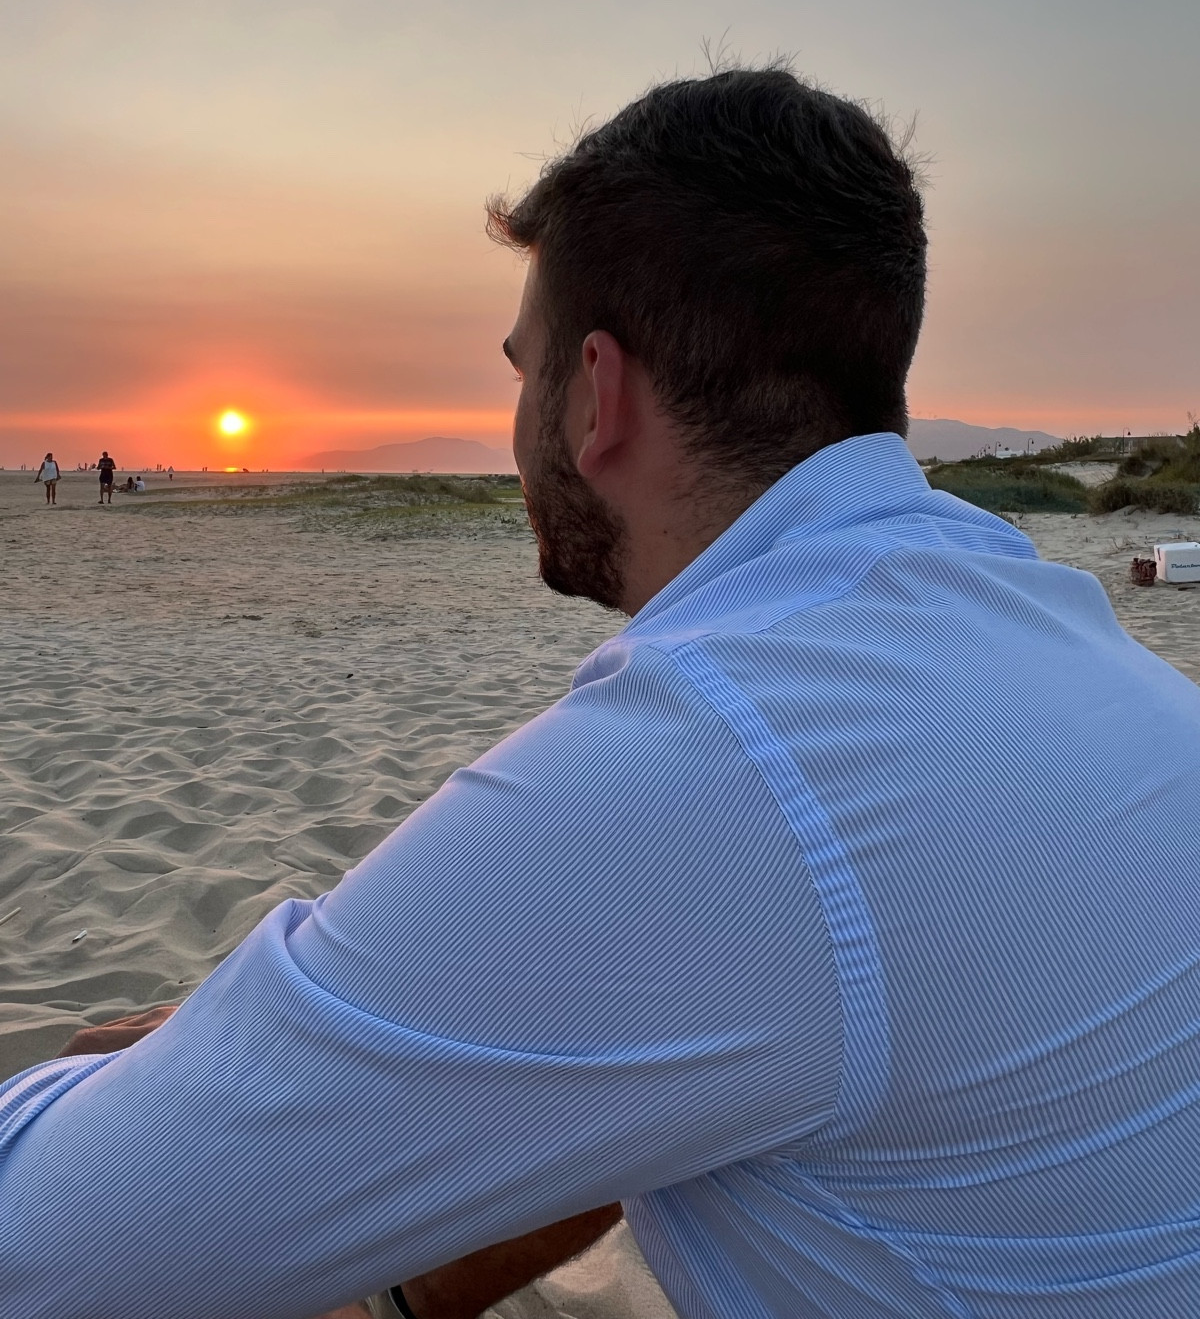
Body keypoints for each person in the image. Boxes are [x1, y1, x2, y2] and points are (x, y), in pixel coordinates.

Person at [2, 65, 1200, 1319]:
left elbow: (41, 1250)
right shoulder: (1057, 641)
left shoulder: (738, 753)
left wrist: (180, 1066)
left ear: (596, 391)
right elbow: (751, 1021)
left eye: (523, 372)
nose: (516, 421)